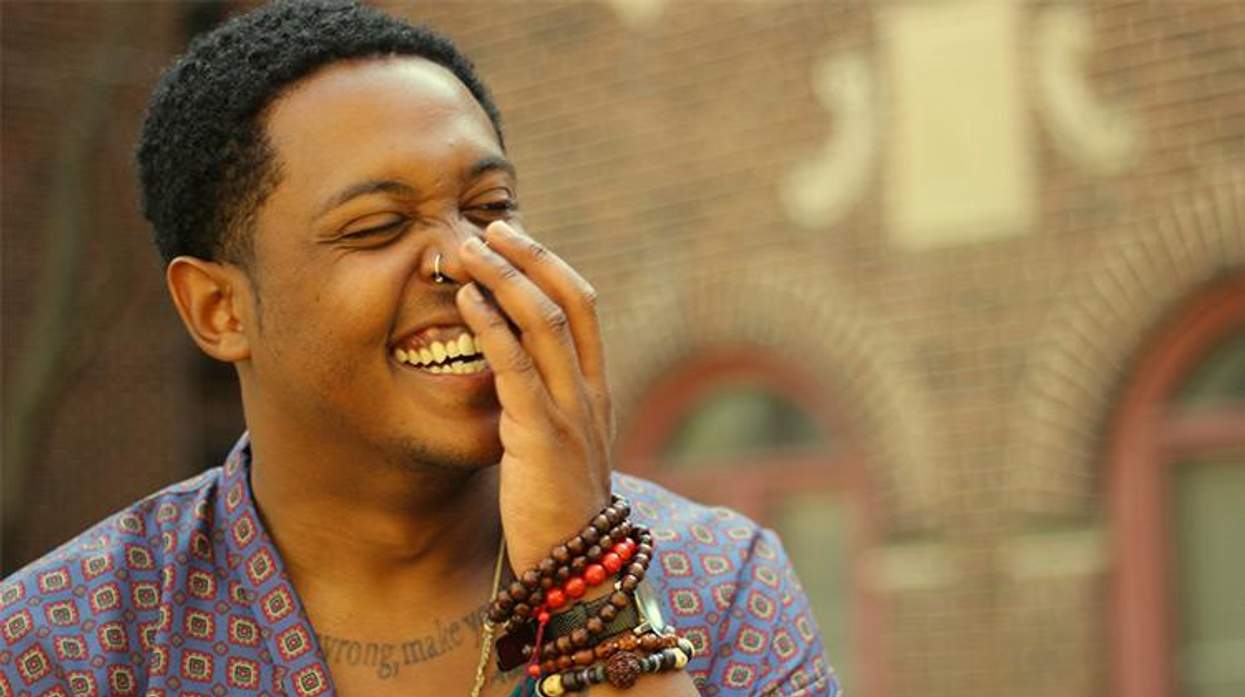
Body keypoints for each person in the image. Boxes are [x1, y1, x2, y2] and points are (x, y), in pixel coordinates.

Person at [0, 2, 839, 696]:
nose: (462, 256)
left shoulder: (720, 583)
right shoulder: (69, 645)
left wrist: (585, 584)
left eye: (489, 206)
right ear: (220, 308)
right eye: (378, 227)